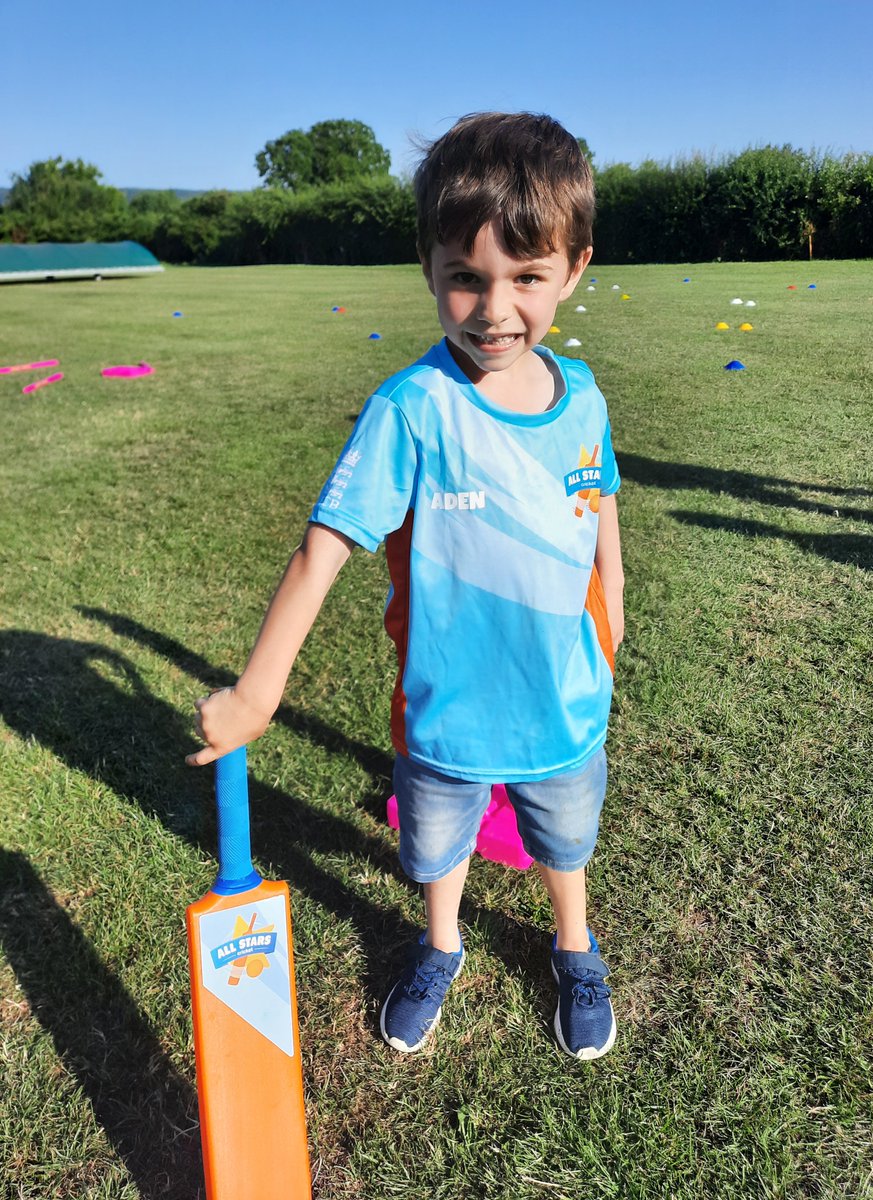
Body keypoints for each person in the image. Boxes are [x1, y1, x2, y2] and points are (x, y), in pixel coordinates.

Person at [188, 112, 625, 1061]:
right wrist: (259, 693)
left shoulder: (582, 395)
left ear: (574, 269)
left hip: (565, 699)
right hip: (445, 713)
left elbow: (600, 501)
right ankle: (442, 945)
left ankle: (575, 945)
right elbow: (323, 549)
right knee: (436, 849)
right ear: (428, 267)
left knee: (565, 840)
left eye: (525, 277)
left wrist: (615, 604)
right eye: (466, 278)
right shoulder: (413, 410)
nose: (494, 309)